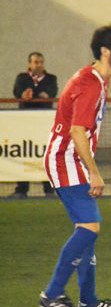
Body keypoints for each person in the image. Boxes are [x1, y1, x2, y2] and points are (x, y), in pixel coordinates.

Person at [39, 25, 111, 307]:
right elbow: (77, 131)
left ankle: (89, 300)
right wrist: (94, 172)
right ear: (106, 51)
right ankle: (51, 293)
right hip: (66, 161)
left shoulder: (98, 80)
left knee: (87, 231)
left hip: (73, 160)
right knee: (90, 227)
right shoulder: (89, 83)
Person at [9, 52, 58, 199]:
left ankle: (48, 188)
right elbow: (17, 92)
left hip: (43, 122)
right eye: (36, 62)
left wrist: (42, 95)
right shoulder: (22, 78)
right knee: (25, 153)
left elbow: (51, 92)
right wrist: (24, 94)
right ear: (29, 64)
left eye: (41, 62)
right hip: (25, 122)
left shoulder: (51, 78)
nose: (39, 65)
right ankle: (21, 189)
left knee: (45, 153)